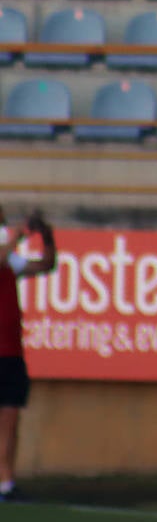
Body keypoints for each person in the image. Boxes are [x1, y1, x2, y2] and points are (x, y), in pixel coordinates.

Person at [0, 208, 56, 503]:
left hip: (10, 352)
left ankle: (5, 483)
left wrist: (47, 237)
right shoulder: (5, 253)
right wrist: (19, 236)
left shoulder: (9, 258)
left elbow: (45, 265)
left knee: (10, 421)